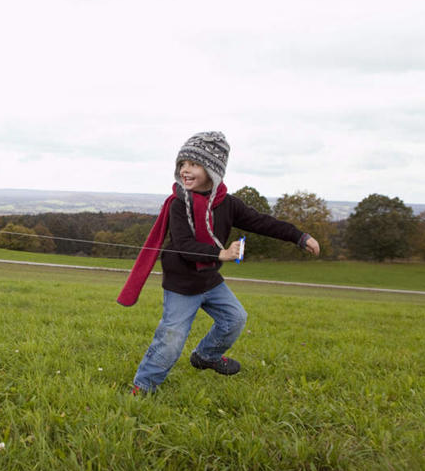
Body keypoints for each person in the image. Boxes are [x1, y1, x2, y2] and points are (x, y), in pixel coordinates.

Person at [117, 131, 320, 394]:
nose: (185, 171)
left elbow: (262, 222)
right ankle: (144, 385)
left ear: (212, 170)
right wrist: (221, 253)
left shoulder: (228, 204)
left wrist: (298, 236)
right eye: (182, 164)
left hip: (210, 281)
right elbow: (184, 246)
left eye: (194, 164)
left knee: (235, 319)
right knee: (171, 339)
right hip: (181, 284)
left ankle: (206, 356)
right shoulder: (179, 205)